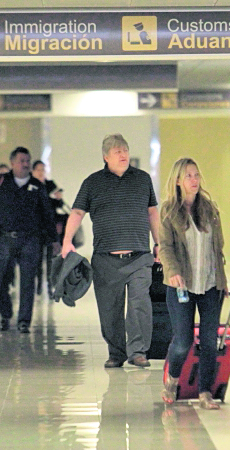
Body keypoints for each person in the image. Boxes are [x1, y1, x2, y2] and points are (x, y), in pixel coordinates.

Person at [61, 134, 160, 368]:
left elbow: (152, 212)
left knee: (139, 306)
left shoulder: (142, 179)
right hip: (106, 259)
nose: (123, 154)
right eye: (117, 151)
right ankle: (116, 353)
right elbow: (76, 213)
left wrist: (159, 243)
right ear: (106, 157)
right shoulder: (93, 182)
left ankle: (138, 351)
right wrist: (67, 241)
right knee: (110, 309)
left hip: (139, 256)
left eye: (125, 150)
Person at [158, 158, 228, 410]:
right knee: (183, 341)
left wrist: (222, 281)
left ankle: (205, 393)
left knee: (209, 341)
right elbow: (164, 247)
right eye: (188, 175)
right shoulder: (168, 212)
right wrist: (173, 271)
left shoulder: (209, 209)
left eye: (196, 175)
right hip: (181, 287)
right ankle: (172, 381)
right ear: (178, 180)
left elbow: (217, 248)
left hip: (210, 284)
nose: (194, 180)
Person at [0, 147, 56, 334]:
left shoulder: (37, 186)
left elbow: (47, 214)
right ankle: (5, 315)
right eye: (21, 160)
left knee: (28, 282)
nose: (26, 164)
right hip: (4, 239)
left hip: (30, 240)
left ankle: (24, 321)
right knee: (1, 280)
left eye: (27, 160)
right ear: (12, 163)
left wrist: (54, 239)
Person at [32, 160, 64, 296]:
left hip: (50, 227)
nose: (41, 173)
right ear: (33, 171)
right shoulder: (31, 185)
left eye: (43, 170)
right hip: (35, 227)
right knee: (37, 258)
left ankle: (50, 285)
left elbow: (59, 205)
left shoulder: (50, 185)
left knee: (51, 258)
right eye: (38, 170)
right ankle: (39, 286)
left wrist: (58, 198)